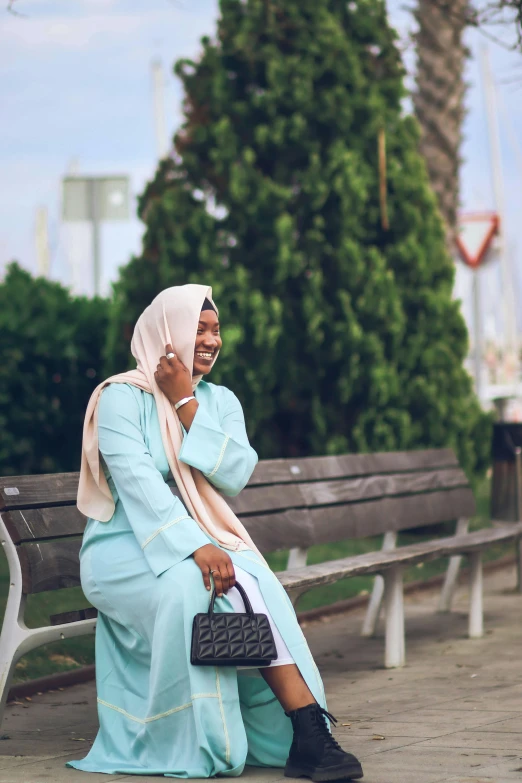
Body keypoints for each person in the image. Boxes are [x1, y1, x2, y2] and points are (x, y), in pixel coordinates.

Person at [67, 284, 363, 781]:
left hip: (201, 540)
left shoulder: (217, 400)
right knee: (196, 584)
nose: (210, 340)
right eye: (197, 329)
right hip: (122, 550)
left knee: (252, 582)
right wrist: (194, 546)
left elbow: (235, 472)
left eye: (215, 330)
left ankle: (306, 731)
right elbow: (139, 486)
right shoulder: (119, 399)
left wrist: (184, 399)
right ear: (166, 334)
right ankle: (216, 738)